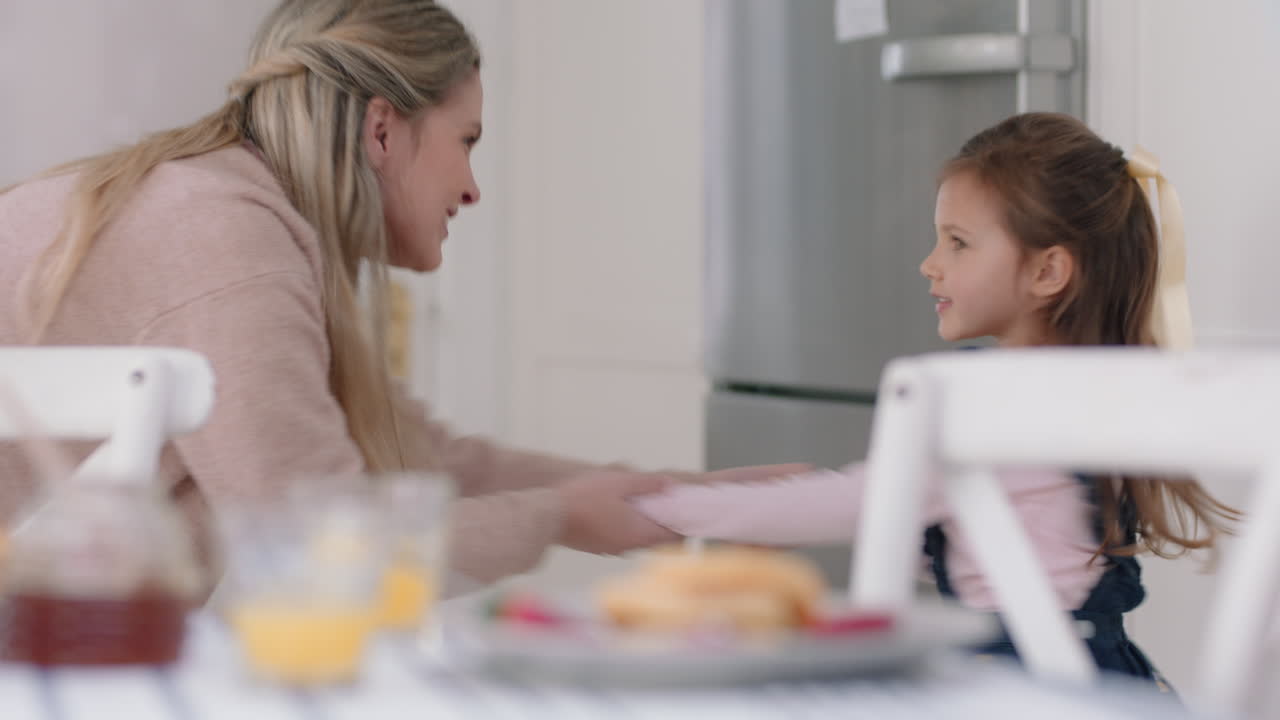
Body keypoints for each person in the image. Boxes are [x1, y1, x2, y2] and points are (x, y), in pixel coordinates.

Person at [0, 0, 802, 593]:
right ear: (381, 131)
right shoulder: (225, 238)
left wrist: (665, 497)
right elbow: (316, 549)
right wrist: (560, 516)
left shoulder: (230, 217)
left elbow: (421, 459)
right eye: (467, 142)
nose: (473, 187)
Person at [637, 112, 1238, 682]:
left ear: (1047, 272)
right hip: (1106, 679)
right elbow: (1002, 540)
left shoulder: (993, 401)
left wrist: (664, 507)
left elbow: (861, 504)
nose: (930, 265)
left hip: (1024, 689)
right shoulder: (1091, 385)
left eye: (958, 243)